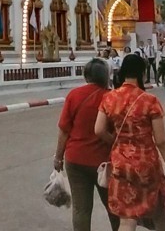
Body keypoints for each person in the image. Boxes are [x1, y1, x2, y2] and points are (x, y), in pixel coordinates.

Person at [95, 54, 165, 231]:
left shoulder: (110, 98)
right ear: (143, 73)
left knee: (127, 220)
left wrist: (117, 142)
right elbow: (161, 141)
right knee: (159, 214)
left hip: (121, 163)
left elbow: (98, 129)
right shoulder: (149, 101)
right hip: (146, 164)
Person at [54, 58, 119, 231]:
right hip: (105, 163)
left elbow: (64, 130)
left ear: (86, 76)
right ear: (106, 75)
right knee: (114, 208)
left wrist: (58, 157)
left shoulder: (74, 95)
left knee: (81, 209)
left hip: (76, 160)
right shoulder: (112, 97)